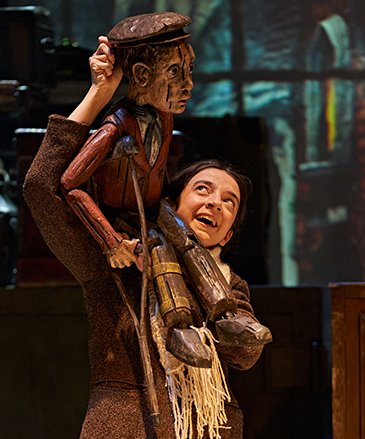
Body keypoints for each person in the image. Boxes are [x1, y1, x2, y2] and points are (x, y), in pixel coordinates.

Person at [23, 18, 268, 439]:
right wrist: (99, 95)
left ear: (232, 231)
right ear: (170, 203)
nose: (216, 203)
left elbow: (241, 357)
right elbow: (41, 187)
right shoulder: (118, 264)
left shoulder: (230, 289)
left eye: (230, 201)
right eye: (203, 190)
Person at [60, 12, 271, 371]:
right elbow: (69, 183)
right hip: (128, 222)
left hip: (155, 209)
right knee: (160, 248)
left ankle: (225, 314)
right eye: (176, 72)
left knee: (184, 239)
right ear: (143, 76)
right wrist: (111, 241)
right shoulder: (115, 127)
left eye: (189, 70)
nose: (189, 84)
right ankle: (179, 327)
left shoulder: (164, 118)